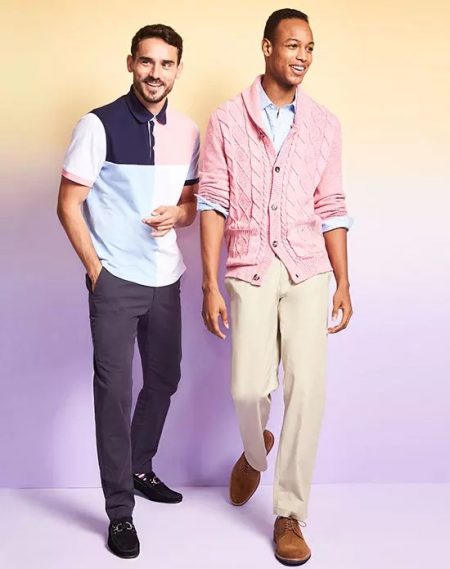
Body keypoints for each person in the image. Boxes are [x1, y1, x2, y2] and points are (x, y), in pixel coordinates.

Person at [198, 8, 353, 566]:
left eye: (310, 47)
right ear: (267, 48)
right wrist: (211, 283)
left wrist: (343, 280)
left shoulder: (325, 124)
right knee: (248, 389)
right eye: (293, 45)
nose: (303, 57)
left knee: (306, 390)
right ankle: (254, 454)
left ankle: (289, 513)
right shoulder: (226, 119)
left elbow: (332, 205)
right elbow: (212, 200)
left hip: (309, 267)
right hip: (249, 265)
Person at [57, 24, 199, 559]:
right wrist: (97, 270)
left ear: (178, 69)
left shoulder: (187, 131)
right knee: (113, 397)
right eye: (146, 62)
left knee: (164, 378)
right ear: (130, 63)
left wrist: (180, 214)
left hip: (168, 278)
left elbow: (191, 204)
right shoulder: (98, 125)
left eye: (166, 64)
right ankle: (120, 513)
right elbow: (68, 204)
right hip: (116, 282)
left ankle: (140, 467)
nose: (155, 73)